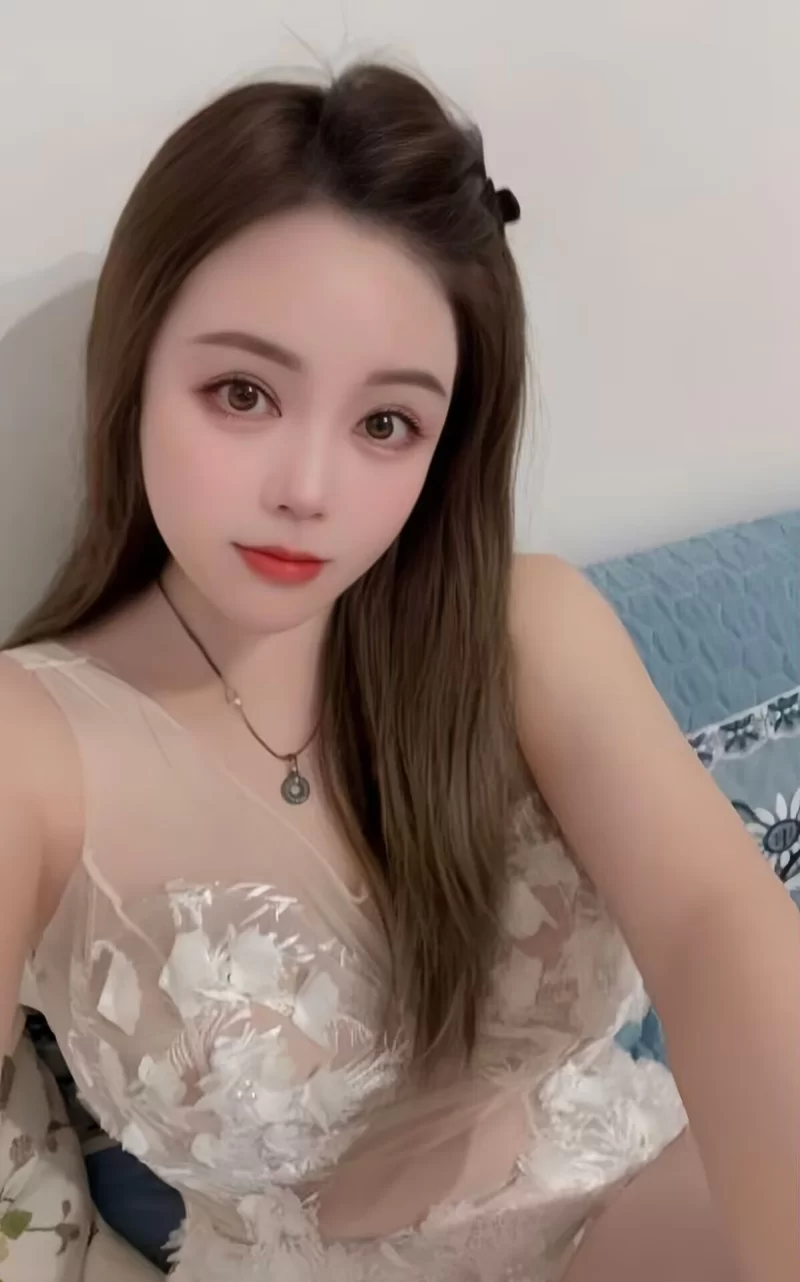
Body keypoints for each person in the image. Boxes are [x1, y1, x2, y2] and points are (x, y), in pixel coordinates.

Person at [0, 62, 796, 1282]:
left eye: (385, 424)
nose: (308, 490)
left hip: (630, 1208)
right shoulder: (32, 746)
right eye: (242, 393)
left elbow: (713, 927)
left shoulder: (521, 630)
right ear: (134, 371)